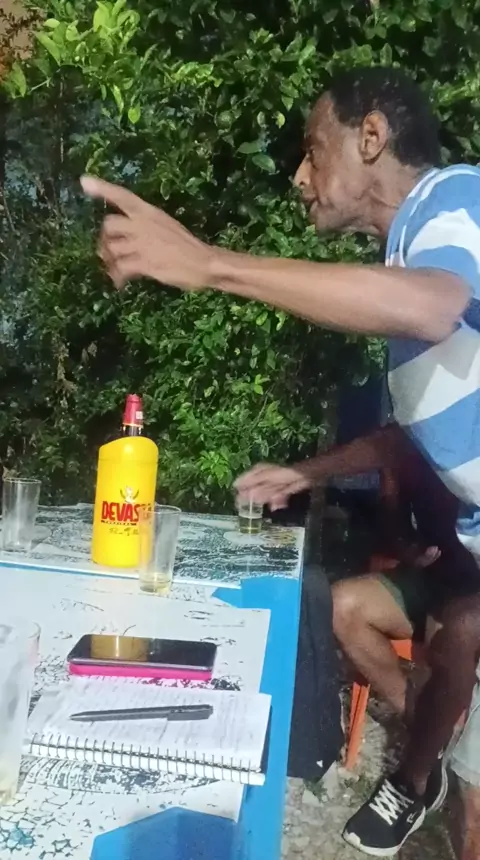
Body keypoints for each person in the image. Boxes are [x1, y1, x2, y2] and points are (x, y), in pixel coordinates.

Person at [82, 66, 480, 858]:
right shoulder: (406, 260)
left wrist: (212, 265)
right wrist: (309, 472)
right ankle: (428, 765)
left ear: (372, 137)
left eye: (313, 148)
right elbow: (411, 432)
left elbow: (434, 307)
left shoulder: (454, 197)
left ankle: (421, 772)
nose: (301, 175)